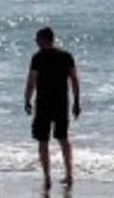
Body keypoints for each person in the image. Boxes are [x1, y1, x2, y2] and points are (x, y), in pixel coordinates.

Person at [23, 26, 81, 189]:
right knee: (63, 139)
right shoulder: (66, 56)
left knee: (43, 141)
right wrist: (76, 102)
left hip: (43, 104)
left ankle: (47, 178)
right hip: (61, 103)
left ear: (44, 39)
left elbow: (31, 81)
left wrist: (27, 100)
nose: (35, 41)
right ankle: (69, 175)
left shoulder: (37, 58)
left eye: (37, 38)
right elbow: (74, 80)